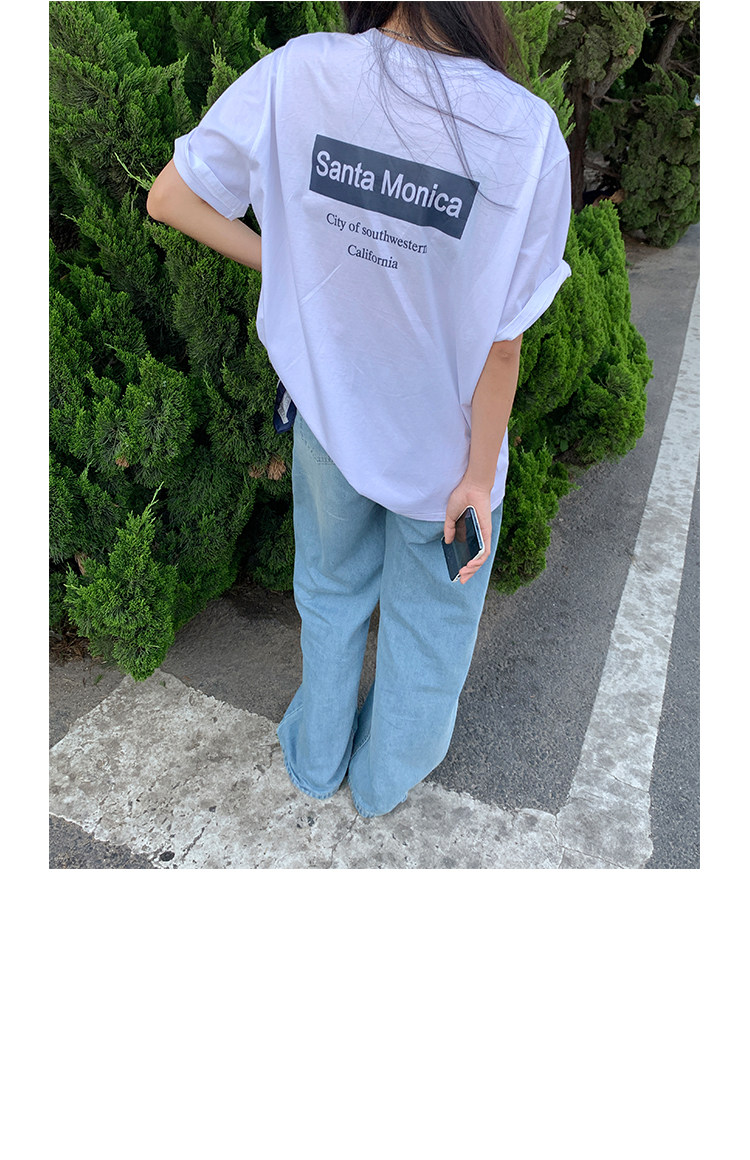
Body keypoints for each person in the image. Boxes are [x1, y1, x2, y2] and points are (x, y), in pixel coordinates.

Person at [147, 2, 572, 818]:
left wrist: (286, 264)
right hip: (448, 448)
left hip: (330, 419)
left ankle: (316, 759)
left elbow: (171, 198)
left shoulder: (299, 72)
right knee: (429, 630)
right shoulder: (527, 132)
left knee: (329, 592)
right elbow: (503, 344)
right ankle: (381, 785)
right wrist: (478, 478)